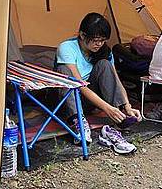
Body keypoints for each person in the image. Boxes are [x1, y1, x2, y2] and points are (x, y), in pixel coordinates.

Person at [55, 12, 142, 154]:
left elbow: (115, 80)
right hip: (65, 100)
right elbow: (79, 85)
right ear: (83, 35)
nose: (99, 44)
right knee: (63, 69)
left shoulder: (104, 51)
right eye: (96, 40)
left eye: (102, 40)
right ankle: (77, 121)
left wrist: (127, 106)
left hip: (89, 100)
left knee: (104, 64)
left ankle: (119, 114)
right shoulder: (66, 48)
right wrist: (106, 108)